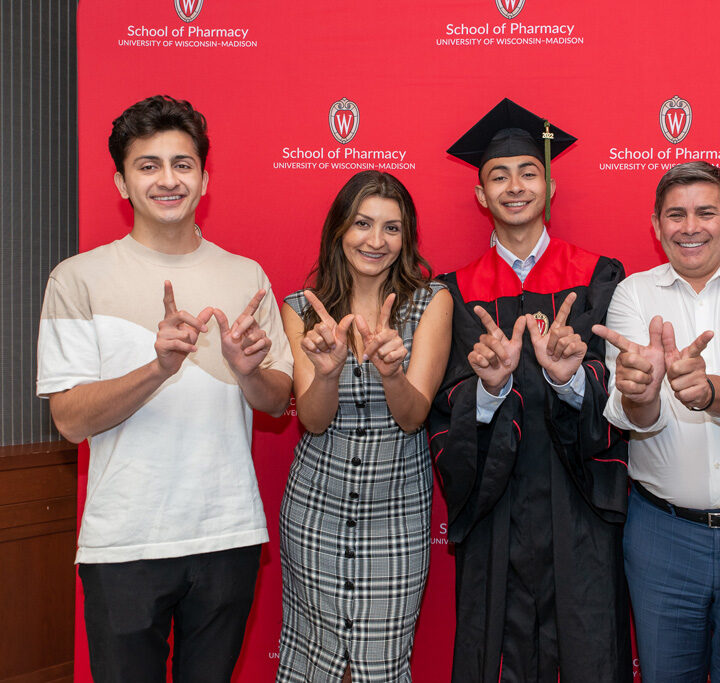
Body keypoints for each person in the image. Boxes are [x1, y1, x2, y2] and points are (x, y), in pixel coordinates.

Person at [36, 95, 294, 682]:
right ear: (122, 183)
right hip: (124, 544)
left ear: (205, 179)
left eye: (182, 163)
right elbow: (71, 421)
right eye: (147, 165)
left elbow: (278, 402)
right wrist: (158, 367)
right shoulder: (77, 278)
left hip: (228, 535)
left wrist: (247, 369)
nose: (168, 179)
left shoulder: (244, 275)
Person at [428, 98, 632, 683]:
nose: (514, 186)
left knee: (590, 652)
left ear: (550, 185)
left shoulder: (598, 277)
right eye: (498, 175)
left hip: (579, 502)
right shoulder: (453, 291)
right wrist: (488, 392)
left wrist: (570, 381)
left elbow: (622, 394)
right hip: (496, 500)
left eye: (528, 172)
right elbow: (444, 402)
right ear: (479, 195)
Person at [593, 161, 720, 682]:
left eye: (706, 212)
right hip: (662, 533)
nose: (690, 226)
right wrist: (641, 393)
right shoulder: (634, 294)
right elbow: (631, 414)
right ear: (656, 227)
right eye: (675, 215)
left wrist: (707, 392)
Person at [276, 170, 452, 683]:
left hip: (396, 516)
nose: (376, 241)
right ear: (338, 230)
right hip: (314, 514)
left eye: (392, 228)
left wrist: (390, 371)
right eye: (362, 224)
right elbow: (310, 419)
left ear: (407, 237)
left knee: (380, 667)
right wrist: (327, 373)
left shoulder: (431, 301)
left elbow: (413, 416)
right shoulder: (299, 310)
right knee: (316, 664)